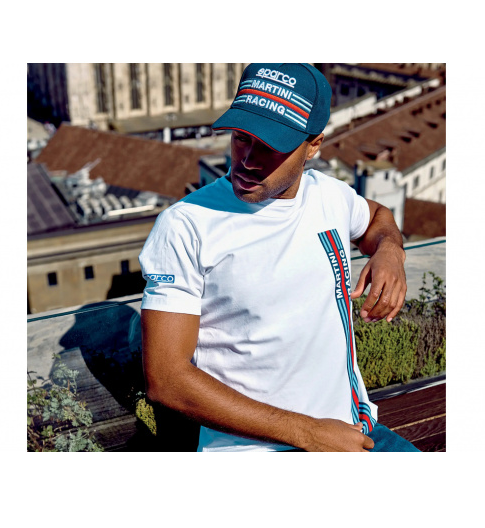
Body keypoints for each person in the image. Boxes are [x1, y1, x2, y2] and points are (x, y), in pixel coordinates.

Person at [138, 63, 419, 452]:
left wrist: (390, 250)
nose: (248, 160)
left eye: (270, 147)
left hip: (356, 432)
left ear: (313, 145)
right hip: (255, 451)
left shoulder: (329, 195)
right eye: (241, 138)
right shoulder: (186, 225)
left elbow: (377, 218)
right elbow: (167, 380)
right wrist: (308, 433)